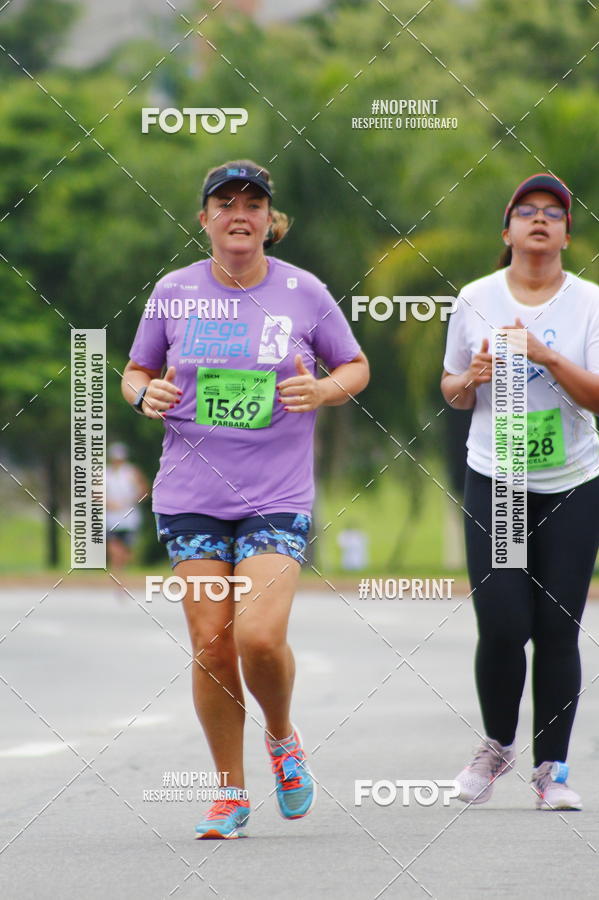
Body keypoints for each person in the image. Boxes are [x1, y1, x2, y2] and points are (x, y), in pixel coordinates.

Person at [121, 160, 369, 838]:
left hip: (275, 496)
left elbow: (355, 364)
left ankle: (283, 740)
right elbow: (135, 370)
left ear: (269, 220)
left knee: (258, 637)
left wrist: (321, 390)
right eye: (224, 202)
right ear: (203, 218)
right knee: (211, 643)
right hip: (190, 495)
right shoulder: (173, 292)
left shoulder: (304, 291)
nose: (239, 212)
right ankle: (229, 793)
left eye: (252, 203)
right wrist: (146, 394)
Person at [441, 173, 599, 811]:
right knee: (504, 625)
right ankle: (498, 745)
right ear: (506, 232)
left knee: (559, 628)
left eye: (553, 213)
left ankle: (552, 771)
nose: (541, 220)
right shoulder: (475, 297)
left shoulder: (589, 302)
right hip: (498, 482)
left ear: (566, 233)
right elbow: (452, 393)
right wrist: (472, 377)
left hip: (571, 483)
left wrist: (546, 356)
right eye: (527, 212)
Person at [106, 442, 147, 573]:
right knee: (113, 545)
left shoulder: (131, 472)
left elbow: (144, 491)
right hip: (111, 516)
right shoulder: (105, 474)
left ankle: (120, 570)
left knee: (126, 548)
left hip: (129, 516)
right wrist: (108, 503)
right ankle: (117, 572)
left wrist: (132, 501)